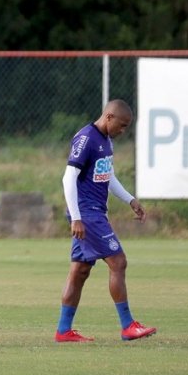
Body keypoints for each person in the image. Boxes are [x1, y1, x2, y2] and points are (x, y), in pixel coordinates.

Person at [55, 100, 157, 343]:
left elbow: (107, 176)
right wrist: (77, 218)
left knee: (80, 271)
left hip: (94, 212)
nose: (123, 132)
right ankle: (127, 326)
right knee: (118, 262)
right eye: (121, 126)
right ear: (109, 117)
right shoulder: (86, 138)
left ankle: (63, 330)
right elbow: (68, 177)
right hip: (87, 214)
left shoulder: (105, 141)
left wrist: (130, 199)